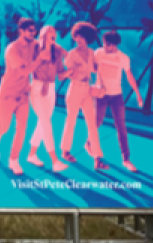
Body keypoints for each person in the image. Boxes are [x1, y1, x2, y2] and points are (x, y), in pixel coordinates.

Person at [0, 18, 40, 176]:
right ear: (21, 30)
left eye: (35, 30)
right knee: (3, 127)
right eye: (30, 30)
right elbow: (24, 71)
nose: (33, 33)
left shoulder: (34, 44)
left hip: (23, 93)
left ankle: (14, 160)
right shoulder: (12, 49)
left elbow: (47, 47)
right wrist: (40, 59)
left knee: (21, 128)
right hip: (8, 93)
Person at [91, 30, 144, 172]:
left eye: (109, 45)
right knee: (96, 123)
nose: (106, 47)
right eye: (104, 44)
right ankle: (95, 155)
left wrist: (138, 94)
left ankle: (126, 159)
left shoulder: (123, 58)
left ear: (115, 45)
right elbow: (93, 69)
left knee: (121, 126)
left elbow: (130, 76)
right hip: (101, 94)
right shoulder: (98, 53)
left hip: (116, 96)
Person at [61, 22, 106, 170]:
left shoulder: (91, 53)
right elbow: (68, 74)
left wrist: (101, 65)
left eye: (82, 37)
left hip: (87, 89)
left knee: (92, 123)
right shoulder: (71, 55)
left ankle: (97, 158)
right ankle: (65, 151)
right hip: (75, 88)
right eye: (77, 37)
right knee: (71, 120)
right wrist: (74, 70)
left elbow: (94, 69)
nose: (78, 40)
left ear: (88, 38)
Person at [27, 26, 69, 172]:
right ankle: (55, 160)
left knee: (43, 122)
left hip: (51, 88)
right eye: (50, 32)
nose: (53, 34)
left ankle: (31, 154)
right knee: (46, 122)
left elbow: (61, 75)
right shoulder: (34, 48)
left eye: (54, 32)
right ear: (43, 35)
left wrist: (71, 71)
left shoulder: (57, 52)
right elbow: (29, 68)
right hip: (37, 87)